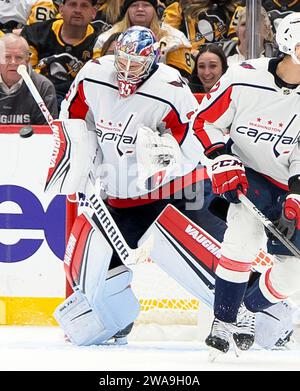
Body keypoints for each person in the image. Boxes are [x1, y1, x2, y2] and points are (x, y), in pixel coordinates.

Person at [57, 25, 227, 344]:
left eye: (136, 63)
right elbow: (73, 118)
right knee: (95, 270)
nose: (127, 69)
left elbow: (194, 139)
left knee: (217, 257)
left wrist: (165, 155)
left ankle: (254, 312)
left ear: (152, 61)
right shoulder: (94, 74)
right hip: (119, 196)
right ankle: (116, 319)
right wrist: (81, 156)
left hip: (175, 195)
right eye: (123, 60)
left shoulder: (171, 87)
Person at [192, 12, 300, 357]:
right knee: (243, 236)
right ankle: (222, 319)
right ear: (289, 44)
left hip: (288, 181)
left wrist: (297, 190)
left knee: (294, 274)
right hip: (247, 168)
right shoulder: (243, 76)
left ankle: (247, 308)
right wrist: (220, 156)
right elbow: (204, 122)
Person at [21, 0, 100, 107]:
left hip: (79, 101)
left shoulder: (100, 40)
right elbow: (25, 75)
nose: (77, 10)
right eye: (72, 4)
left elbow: (95, 83)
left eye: (84, 6)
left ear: (94, 12)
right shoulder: (34, 33)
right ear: (61, 9)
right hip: (38, 96)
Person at [94, 0, 193, 79]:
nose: (140, 9)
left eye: (146, 5)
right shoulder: (107, 38)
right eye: (134, 5)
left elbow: (178, 79)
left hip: (159, 92)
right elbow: (98, 71)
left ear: (155, 10)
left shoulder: (175, 38)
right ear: (127, 10)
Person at [0, 34, 58, 125]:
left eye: (19, 57)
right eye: (7, 57)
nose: (13, 62)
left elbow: (47, 131)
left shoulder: (43, 86)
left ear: (27, 61)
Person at [162, 0, 238, 57]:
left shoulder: (232, 9)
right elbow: (167, 41)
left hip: (222, 61)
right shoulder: (177, 8)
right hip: (188, 62)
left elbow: (235, 42)